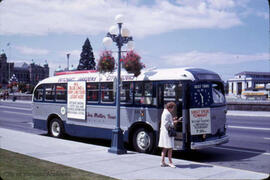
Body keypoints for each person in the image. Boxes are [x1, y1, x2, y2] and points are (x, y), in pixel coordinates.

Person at [158, 102, 180, 168]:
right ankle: (170, 162)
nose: (173, 109)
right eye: (172, 108)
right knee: (170, 148)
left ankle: (162, 162)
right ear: (170, 107)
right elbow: (167, 124)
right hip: (167, 133)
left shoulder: (165, 112)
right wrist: (174, 122)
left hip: (165, 132)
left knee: (165, 148)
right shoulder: (167, 113)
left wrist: (172, 119)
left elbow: (166, 121)